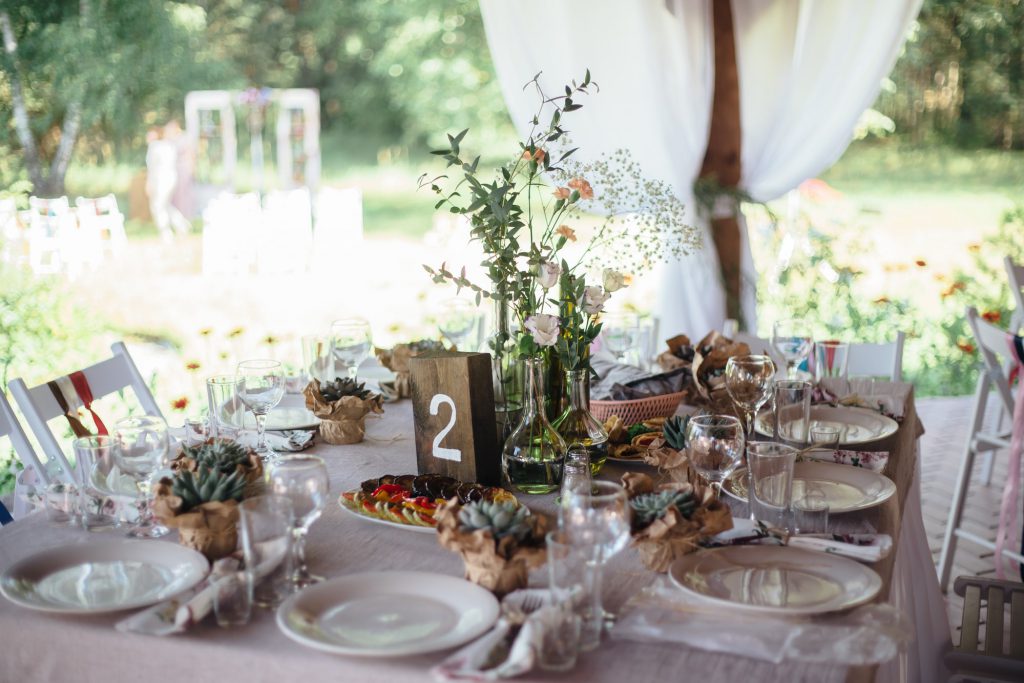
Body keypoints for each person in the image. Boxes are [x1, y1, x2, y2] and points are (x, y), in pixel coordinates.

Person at [146, 124, 191, 242]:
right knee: (164, 205)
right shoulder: (169, 145)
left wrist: (149, 184)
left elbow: (153, 168)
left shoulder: (155, 147)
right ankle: (181, 224)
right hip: (171, 178)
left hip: (161, 180)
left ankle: (166, 232)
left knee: (157, 206)